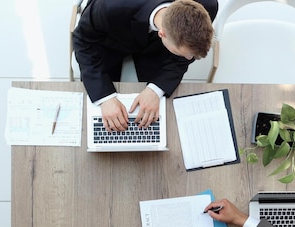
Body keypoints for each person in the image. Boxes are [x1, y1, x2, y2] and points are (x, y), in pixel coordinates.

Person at [73, 0, 218, 132]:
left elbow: (187, 50)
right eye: (185, 54)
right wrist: (105, 98)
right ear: (162, 34)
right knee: (101, 117)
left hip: (154, 48)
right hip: (111, 35)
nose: (189, 59)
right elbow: (83, 41)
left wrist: (156, 89)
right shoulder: (110, 6)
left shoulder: (208, 4)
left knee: (161, 118)